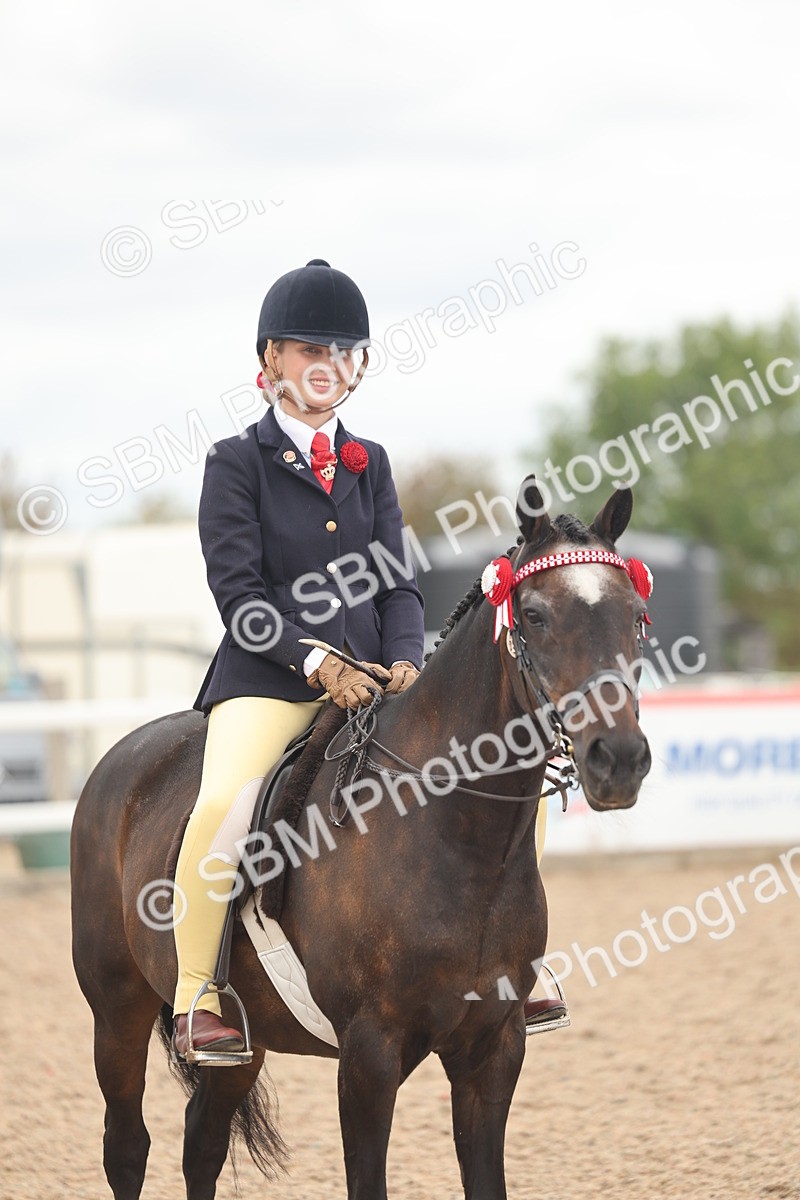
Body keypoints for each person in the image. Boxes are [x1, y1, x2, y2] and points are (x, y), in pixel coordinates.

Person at [171, 258, 425, 1061]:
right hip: (270, 680)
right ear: (271, 359)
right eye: (310, 347)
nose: (328, 363)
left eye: (344, 350)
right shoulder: (235, 463)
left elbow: (398, 587)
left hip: (377, 681)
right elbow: (241, 599)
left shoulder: (371, 461)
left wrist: (409, 659)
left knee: (498, 769)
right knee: (222, 810)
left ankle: (515, 966)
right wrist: (320, 665)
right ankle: (196, 994)